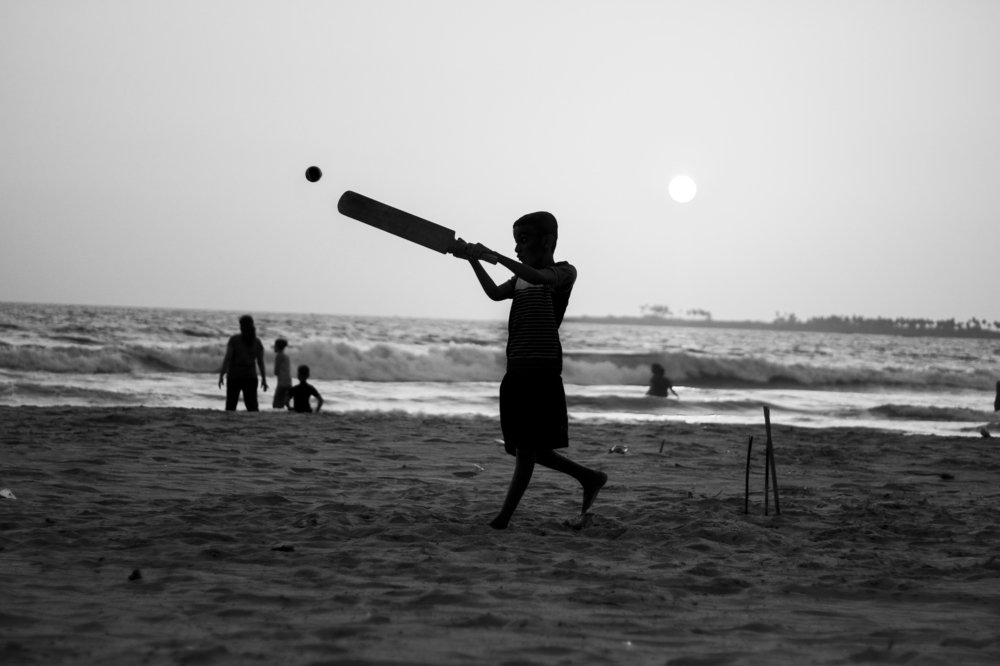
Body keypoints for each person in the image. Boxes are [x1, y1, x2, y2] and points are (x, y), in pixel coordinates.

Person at [455, 212, 607, 530]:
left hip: (542, 371)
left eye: (523, 241)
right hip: (516, 369)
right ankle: (588, 477)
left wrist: (496, 257)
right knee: (527, 448)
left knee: (527, 449)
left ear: (547, 241)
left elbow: (541, 279)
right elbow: (495, 293)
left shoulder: (563, 273)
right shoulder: (520, 278)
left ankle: (503, 518)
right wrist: (473, 261)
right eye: (515, 243)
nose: (517, 249)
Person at [218, 315, 267, 411]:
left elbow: (228, 358)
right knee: (252, 406)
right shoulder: (257, 342)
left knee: (231, 405)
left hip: (234, 377)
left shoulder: (234, 340)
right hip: (250, 377)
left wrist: (222, 374)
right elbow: (260, 362)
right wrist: (264, 379)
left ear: (241, 326)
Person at [272, 338, 292, 409]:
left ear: (277, 346)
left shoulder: (279, 356)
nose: (274, 347)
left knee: (276, 404)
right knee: (284, 402)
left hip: (282, 383)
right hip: (288, 381)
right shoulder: (286, 356)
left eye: (275, 345)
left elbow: (276, 372)